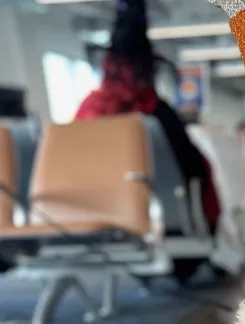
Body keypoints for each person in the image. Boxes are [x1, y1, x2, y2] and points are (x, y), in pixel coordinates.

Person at [75, 0, 220, 235]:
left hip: (89, 216)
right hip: (164, 223)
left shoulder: (87, 112)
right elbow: (195, 172)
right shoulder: (157, 116)